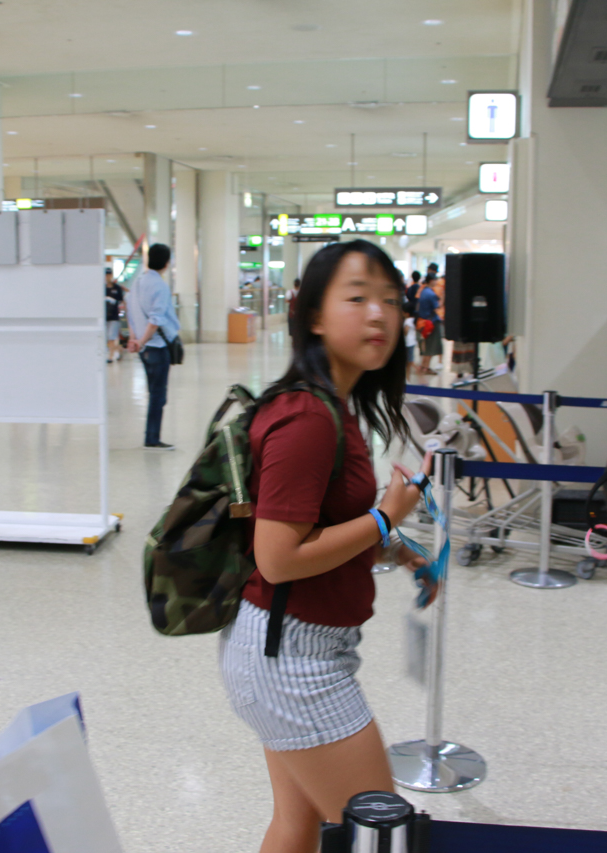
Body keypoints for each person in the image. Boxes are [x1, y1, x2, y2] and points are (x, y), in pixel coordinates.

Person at [219, 239, 432, 853]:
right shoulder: (308, 418)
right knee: (379, 835)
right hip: (293, 661)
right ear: (314, 315)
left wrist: (395, 549)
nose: (379, 315)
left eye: (391, 300)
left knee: (298, 822)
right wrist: (387, 518)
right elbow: (278, 556)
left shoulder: (330, 406)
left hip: (281, 646)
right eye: (358, 297)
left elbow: (319, 529)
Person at [126, 243, 181, 450]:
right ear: (167, 263)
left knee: (154, 393)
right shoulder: (160, 286)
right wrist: (142, 340)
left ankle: (151, 435)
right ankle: (152, 438)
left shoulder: (138, 283)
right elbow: (156, 319)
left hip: (144, 348)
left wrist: (135, 339)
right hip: (156, 346)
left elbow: (131, 313)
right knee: (158, 395)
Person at [416, 276, 442, 376]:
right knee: (431, 347)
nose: (436, 281)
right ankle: (425, 368)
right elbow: (436, 308)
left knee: (426, 346)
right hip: (431, 323)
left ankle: (423, 366)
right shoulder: (431, 294)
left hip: (423, 322)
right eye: (435, 279)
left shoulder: (423, 291)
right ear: (431, 280)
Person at [105, 270, 125, 363]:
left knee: (111, 338)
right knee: (107, 339)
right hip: (105, 317)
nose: (107, 277)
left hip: (114, 316)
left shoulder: (117, 288)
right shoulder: (102, 288)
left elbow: (122, 301)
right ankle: (119, 349)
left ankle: (110, 356)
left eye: (109, 275)